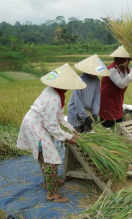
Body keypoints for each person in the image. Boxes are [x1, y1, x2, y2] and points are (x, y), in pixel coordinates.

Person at [17, 63, 86, 203]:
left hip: (37, 124)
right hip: (36, 127)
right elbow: (51, 125)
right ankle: (52, 194)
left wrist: (72, 129)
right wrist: (68, 137)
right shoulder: (54, 97)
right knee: (50, 160)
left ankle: (48, 182)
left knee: (45, 157)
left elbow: (59, 117)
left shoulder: (54, 92)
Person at [99, 46, 132, 128]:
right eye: (126, 59)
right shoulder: (111, 69)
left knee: (118, 123)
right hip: (107, 102)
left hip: (118, 100)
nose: (128, 62)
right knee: (109, 125)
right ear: (118, 59)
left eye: (128, 59)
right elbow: (121, 84)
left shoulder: (126, 69)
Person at [67, 54, 110, 132]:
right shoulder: (79, 80)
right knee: (76, 136)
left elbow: (96, 98)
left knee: (86, 134)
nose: (96, 74)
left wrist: (94, 114)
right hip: (75, 112)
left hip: (87, 112)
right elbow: (78, 101)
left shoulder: (97, 81)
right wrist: (85, 117)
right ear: (88, 70)